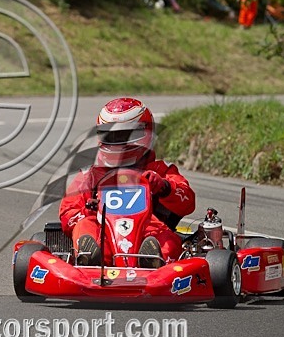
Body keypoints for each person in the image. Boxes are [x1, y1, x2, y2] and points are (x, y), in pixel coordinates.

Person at [58, 98, 195, 266]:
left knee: (167, 239)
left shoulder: (160, 170)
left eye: (123, 135)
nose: (116, 142)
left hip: (148, 229)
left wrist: (165, 187)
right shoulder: (91, 175)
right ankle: (89, 258)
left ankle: (152, 261)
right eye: (110, 135)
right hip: (104, 233)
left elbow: (187, 201)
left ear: (145, 133)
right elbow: (68, 212)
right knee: (85, 226)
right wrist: (88, 211)